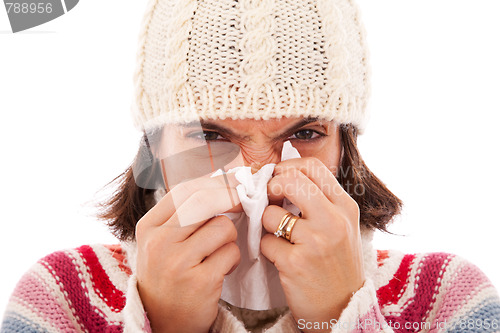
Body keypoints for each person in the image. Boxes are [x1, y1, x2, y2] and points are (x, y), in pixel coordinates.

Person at [2, 0, 500, 332]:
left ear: (345, 149)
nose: (256, 175)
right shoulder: (63, 296)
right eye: (210, 135)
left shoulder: (446, 298)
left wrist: (337, 317)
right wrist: (164, 324)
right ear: (153, 149)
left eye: (303, 135)